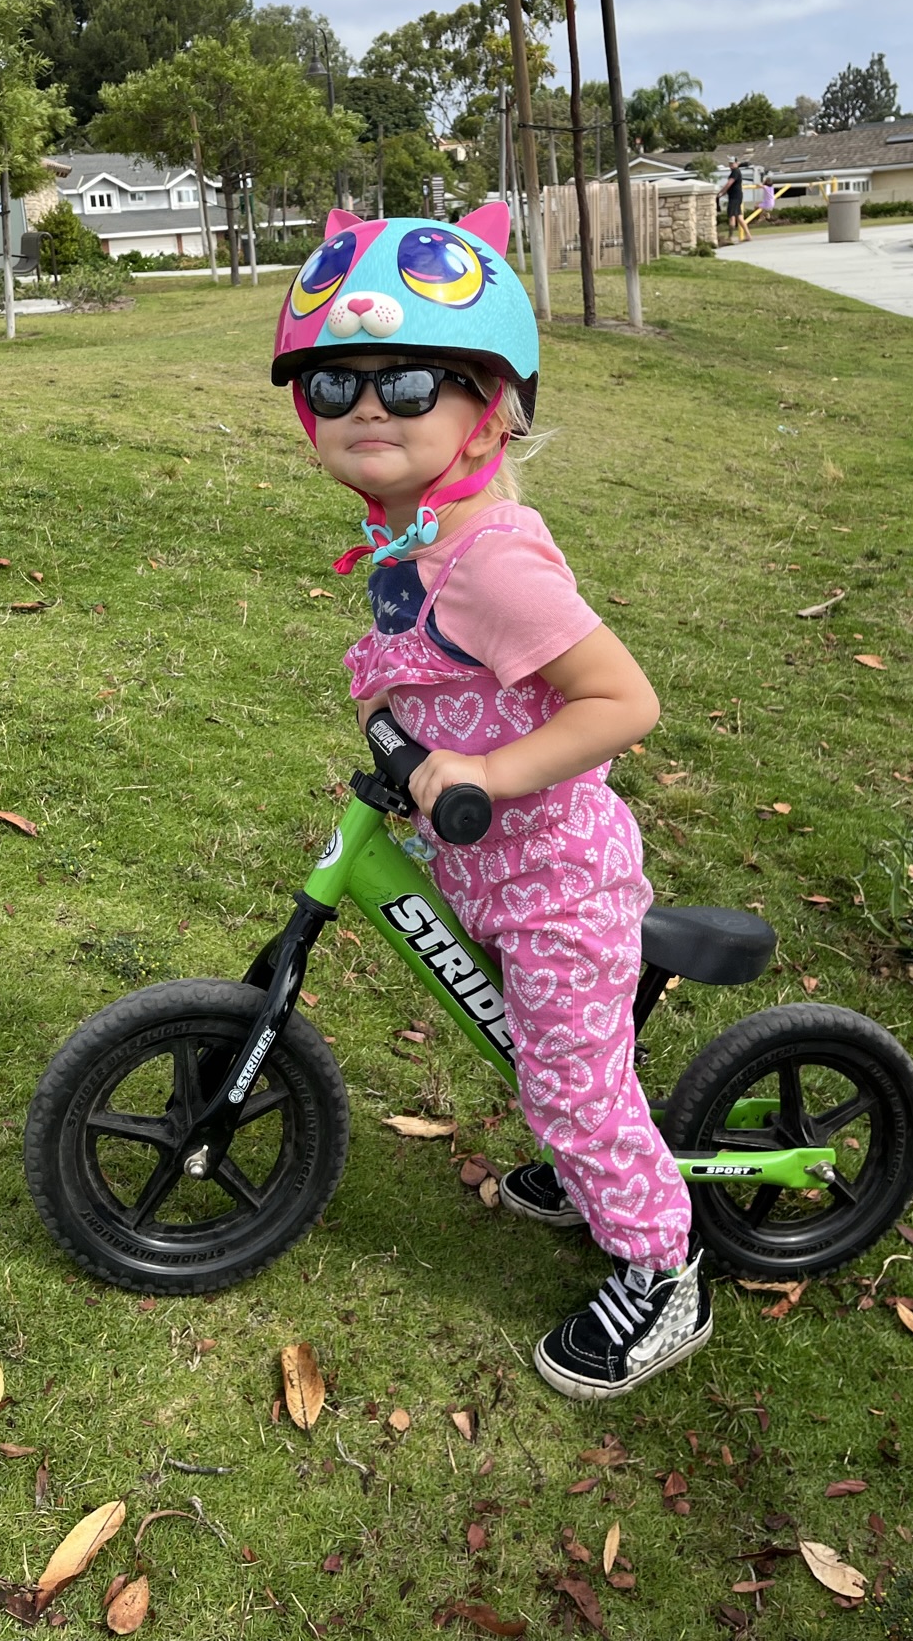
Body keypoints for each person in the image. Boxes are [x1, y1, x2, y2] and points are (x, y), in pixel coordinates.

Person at [270, 206, 711, 1400]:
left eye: (410, 379)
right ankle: (585, 1163)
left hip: (554, 870)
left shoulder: (493, 560)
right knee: (548, 1062)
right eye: (335, 382)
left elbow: (623, 700)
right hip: (484, 862)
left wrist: (480, 773)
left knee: (569, 1078)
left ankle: (663, 1268)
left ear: (489, 406)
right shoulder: (415, 538)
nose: (370, 405)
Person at [723, 161, 750, 241]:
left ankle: (730, 237)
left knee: (732, 217)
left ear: (737, 163)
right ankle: (748, 235)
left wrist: (721, 192)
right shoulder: (736, 171)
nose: (731, 165)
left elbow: (729, 183)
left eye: (733, 163)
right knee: (739, 217)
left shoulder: (735, 172)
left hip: (734, 197)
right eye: (730, 163)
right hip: (737, 197)